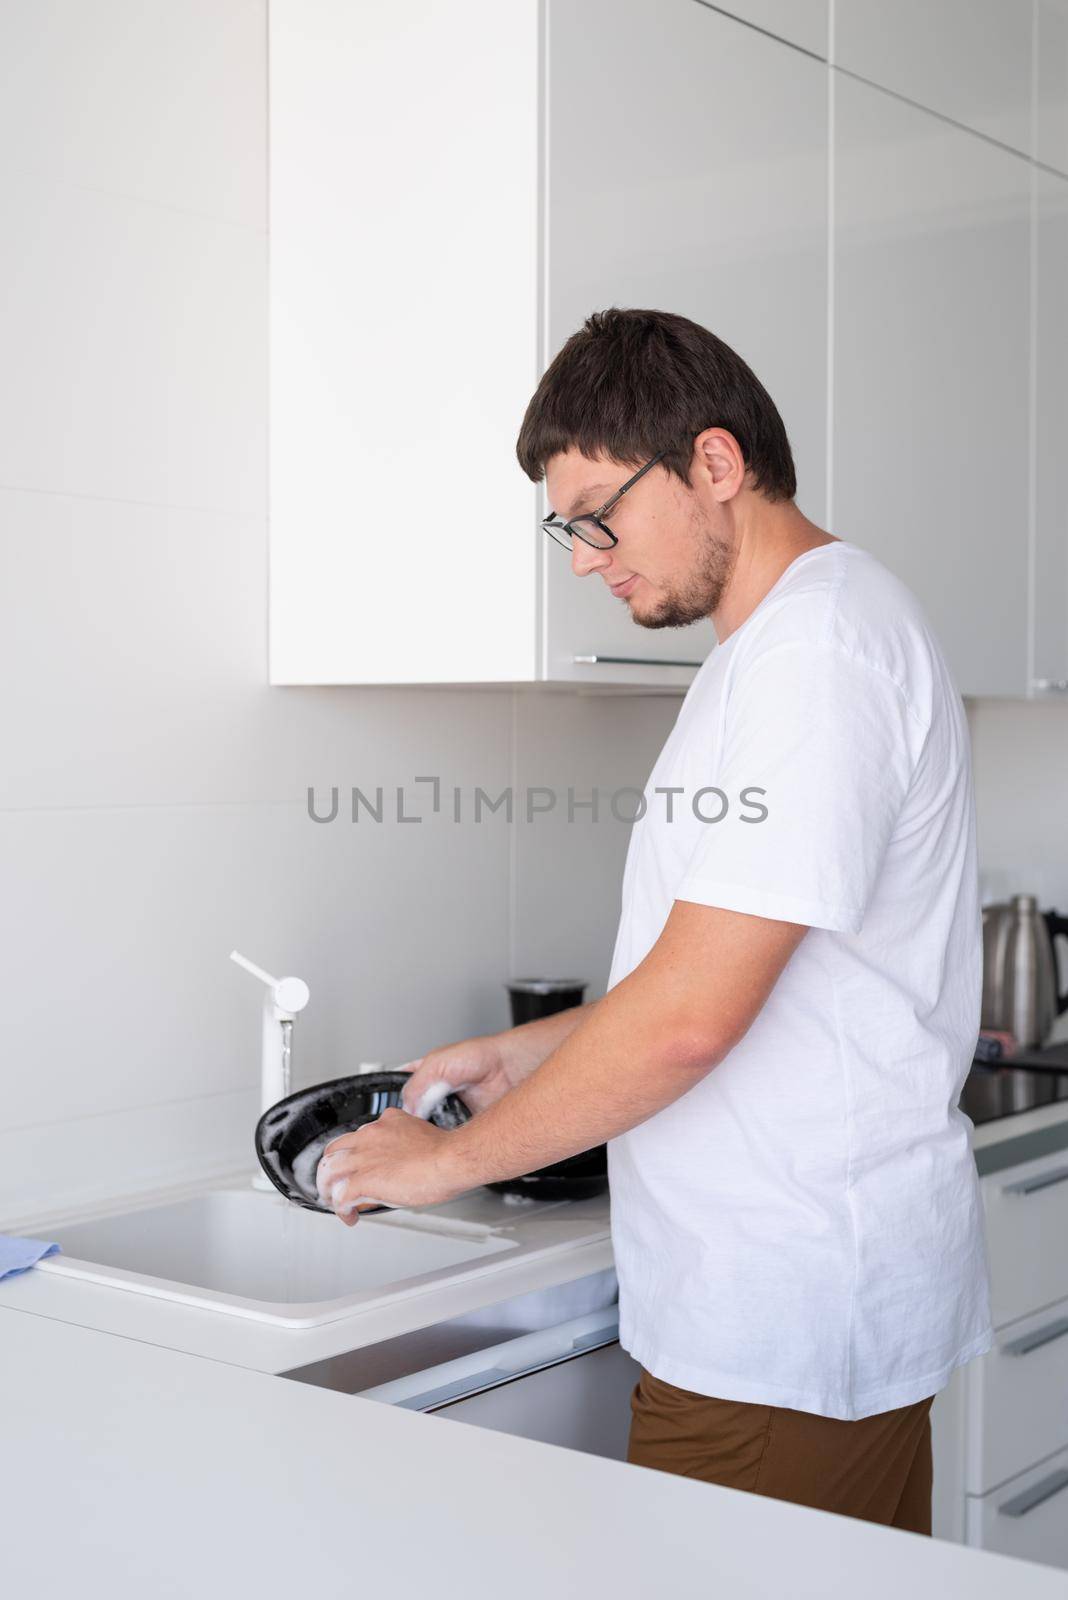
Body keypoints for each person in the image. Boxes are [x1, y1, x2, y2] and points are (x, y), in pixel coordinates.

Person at [317, 307, 993, 1534]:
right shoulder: (772, 648)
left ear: (716, 465)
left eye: (599, 514)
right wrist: (524, 1052)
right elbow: (712, 968)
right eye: (564, 526)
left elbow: (689, 1024)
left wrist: (452, 1158)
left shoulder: (818, 654)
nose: (583, 556)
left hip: (783, 1328)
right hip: (768, 1310)